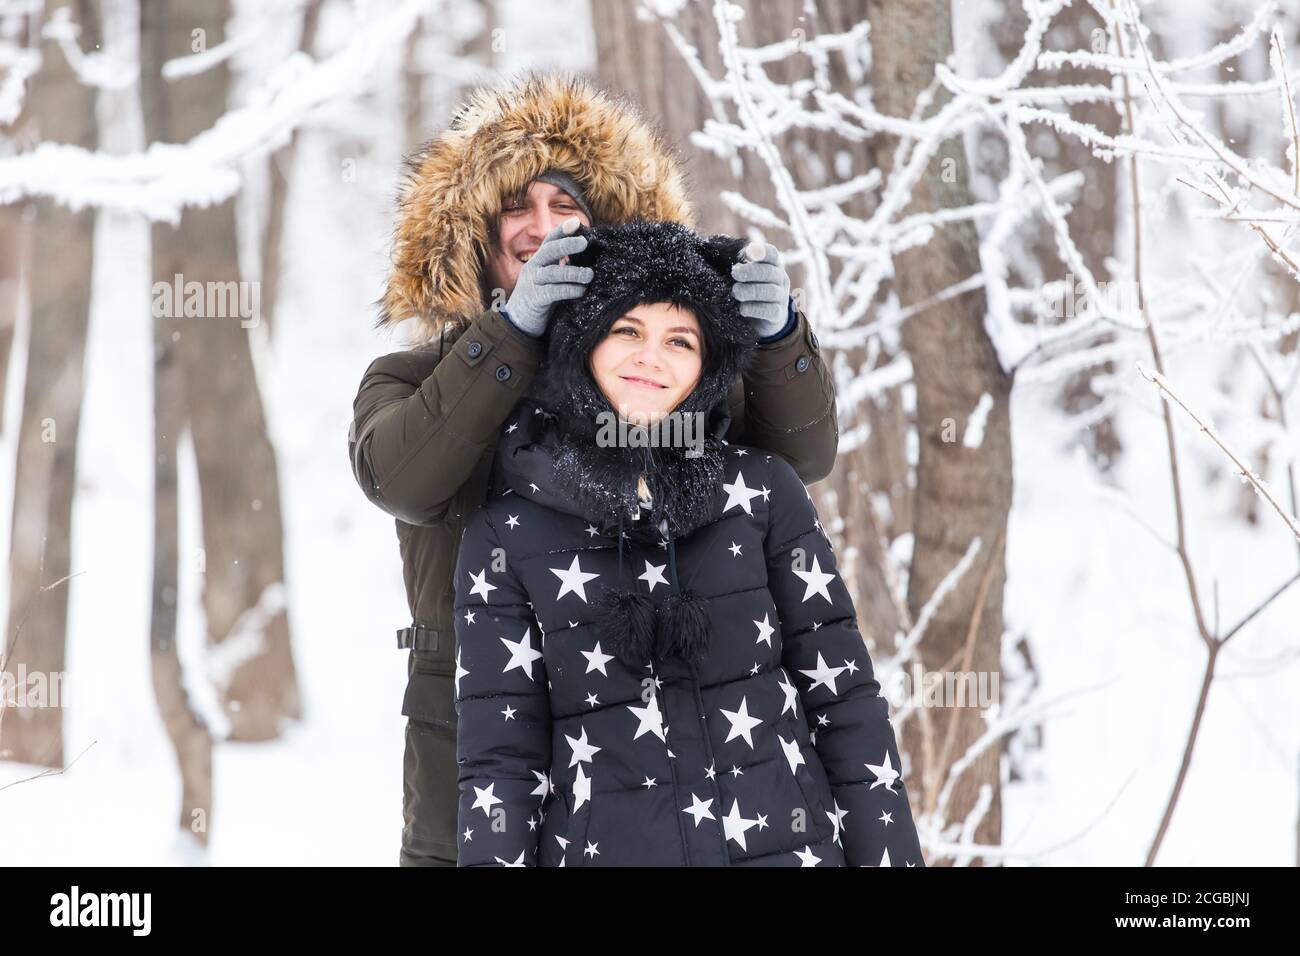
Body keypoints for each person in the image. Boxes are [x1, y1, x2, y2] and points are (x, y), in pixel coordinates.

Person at [349, 70, 839, 867]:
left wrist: (780, 340)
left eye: (565, 205)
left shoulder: (669, 370)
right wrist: (512, 333)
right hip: (478, 754)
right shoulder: (407, 381)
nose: (540, 226)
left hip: (645, 763)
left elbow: (802, 457)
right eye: (517, 205)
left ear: (607, 226)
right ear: (473, 232)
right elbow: (401, 480)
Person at [452, 220, 923, 867]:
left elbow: (844, 704)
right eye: (627, 331)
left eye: (680, 339)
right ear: (583, 342)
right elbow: (499, 765)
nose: (651, 357)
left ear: (708, 365)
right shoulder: (505, 534)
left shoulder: (762, 490)